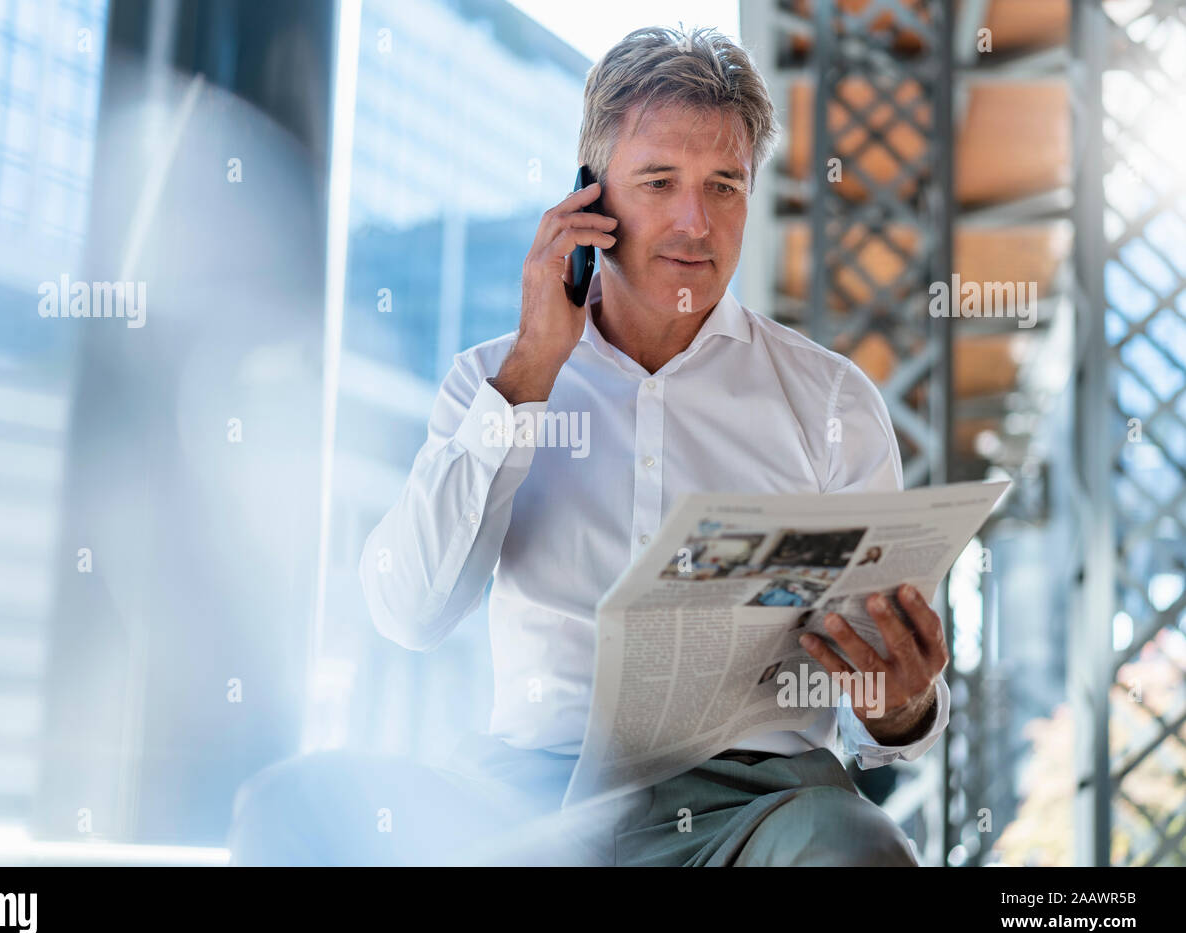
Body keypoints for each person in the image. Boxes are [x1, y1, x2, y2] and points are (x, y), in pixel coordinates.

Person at [229, 24, 949, 867]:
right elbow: (412, 612)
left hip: (757, 807)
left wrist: (901, 704)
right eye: (658, 182)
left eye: (725, 184)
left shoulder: (830, 403)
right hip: (527, 793)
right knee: (291, 807)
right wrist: (533, 367)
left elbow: (882, 726)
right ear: (589, 199)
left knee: (855, 845)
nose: (696, 221)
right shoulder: (492, 381)